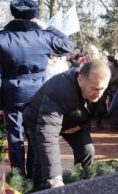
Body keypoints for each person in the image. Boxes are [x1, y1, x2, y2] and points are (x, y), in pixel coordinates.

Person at [0, 0, 73, 178]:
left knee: (14, 136)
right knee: (34, 134)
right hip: (37, 92)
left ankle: (18, 176)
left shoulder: (2, 37)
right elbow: (67, 46)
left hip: (11, 92)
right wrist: (47, 27)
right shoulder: (43, 36)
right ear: (33, 16)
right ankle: (33, 174)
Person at [22, 59, 111, 188]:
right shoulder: (59, 91)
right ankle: (39, 188)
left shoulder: (100, 84)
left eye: (102, 89)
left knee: (87, 150)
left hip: (73, 121)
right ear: (80, 80)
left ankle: (82, 185)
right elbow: (48, 135)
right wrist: (54, 179)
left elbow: (91, 112)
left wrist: (81, 126)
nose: (98, 94)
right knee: (42, 162)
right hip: (38, 118)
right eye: (94, 89)